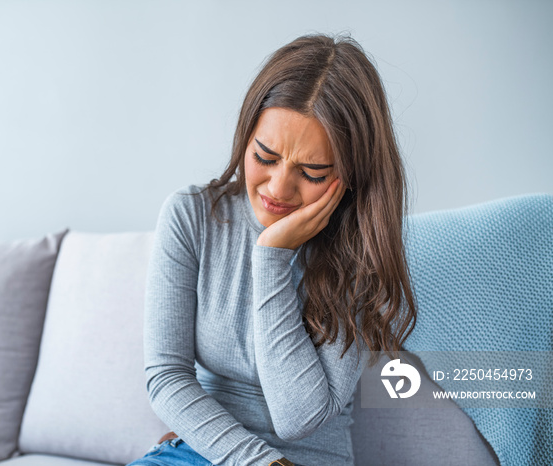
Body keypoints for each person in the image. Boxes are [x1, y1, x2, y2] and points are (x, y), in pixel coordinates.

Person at [127, 33, 417, 466]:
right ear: (246, 137)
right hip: (199, 453)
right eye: (265, 157)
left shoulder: (360, 252)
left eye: (312, 172)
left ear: (352, 173)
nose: (278, 188)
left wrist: (271, 257)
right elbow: (167, 377)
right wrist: (257, 462)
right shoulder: (190, 216)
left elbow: (297, 419)